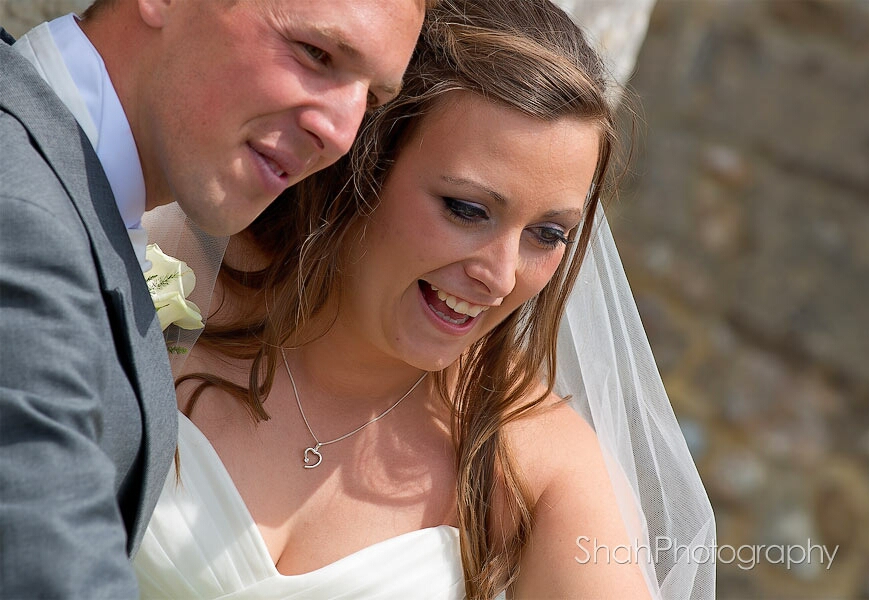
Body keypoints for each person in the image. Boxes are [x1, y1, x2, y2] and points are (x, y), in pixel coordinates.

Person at [135, 0, 715, 598]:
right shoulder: (161, 286)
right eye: (467, 210)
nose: (499, 275)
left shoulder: (539, 471)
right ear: (364, 166)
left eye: (548, 234)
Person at [0, 0, 425, 597]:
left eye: (373, 101)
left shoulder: (67, 189)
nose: (340, 134)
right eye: (316, 53)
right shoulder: (20, 212)